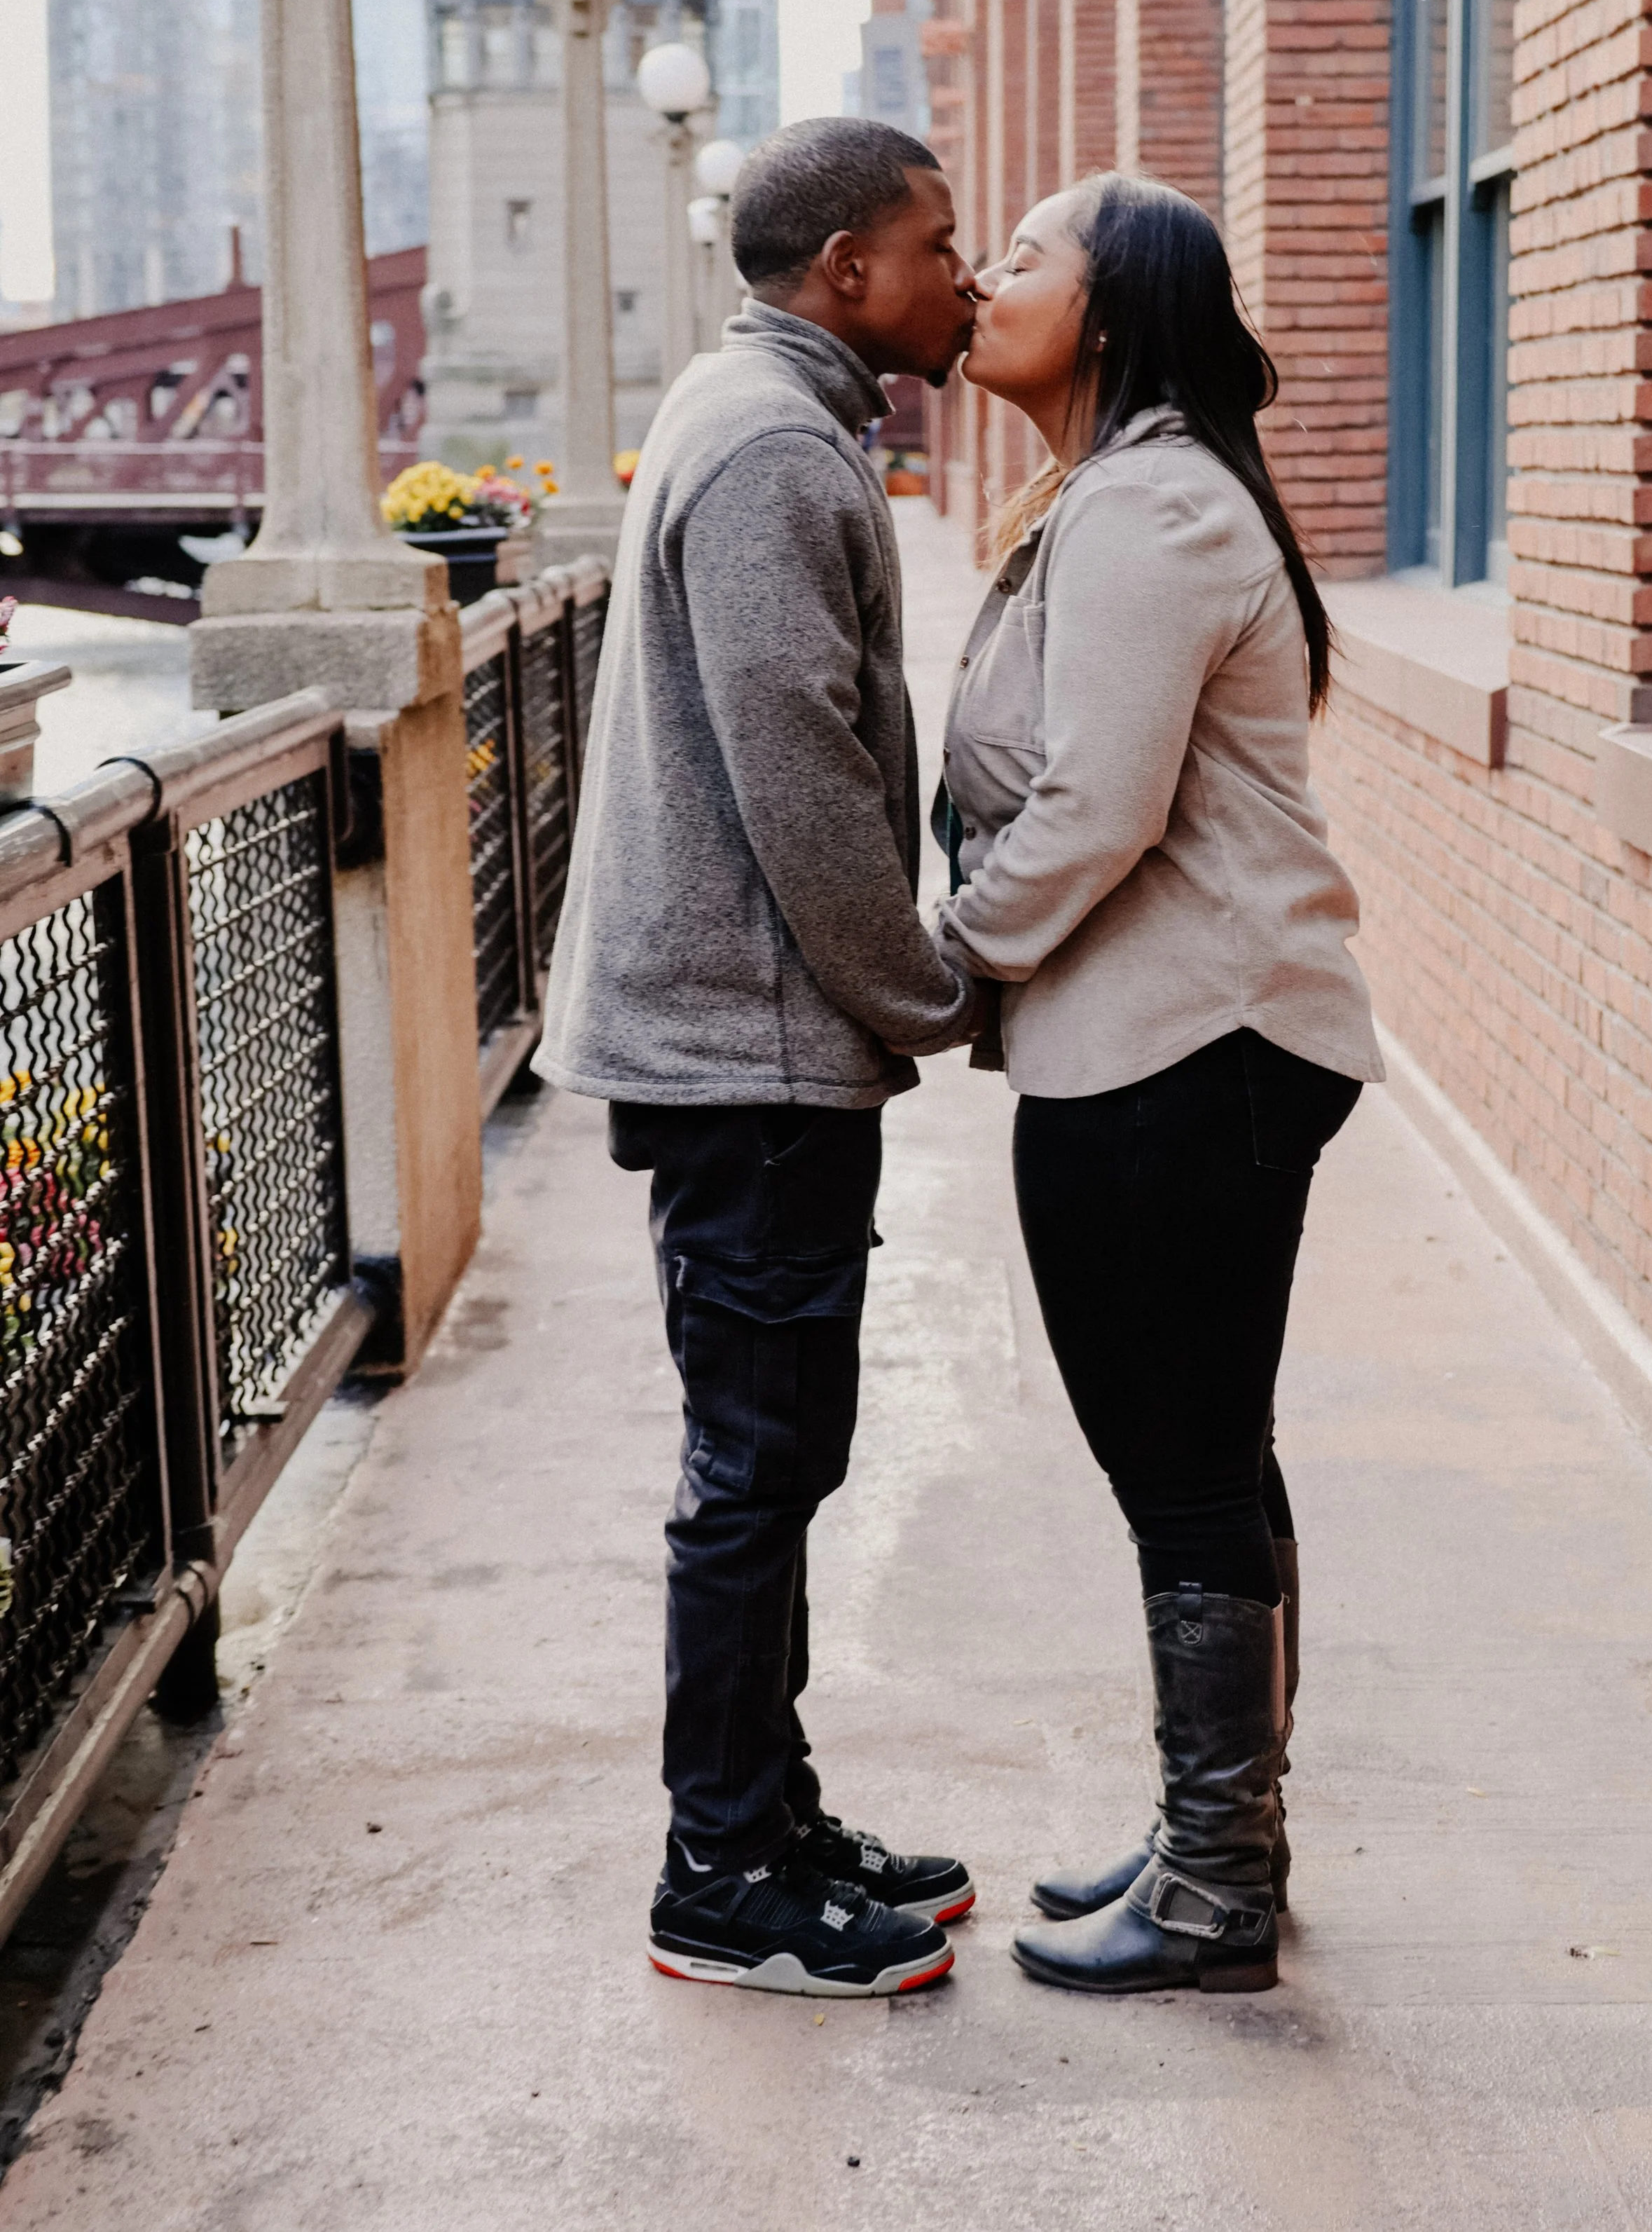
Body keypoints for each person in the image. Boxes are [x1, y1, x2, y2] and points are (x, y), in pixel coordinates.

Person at [535, 118, 986, 1999]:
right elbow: (800, 768)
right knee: (756, 1462)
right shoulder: (777, 444)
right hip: (758, 1050)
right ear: (843, 273)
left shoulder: (757, 413)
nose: (962, 278)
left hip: (750, 1038)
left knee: (776, 1455)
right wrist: (928, 986)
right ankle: (720, 1872)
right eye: (936, 244)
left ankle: (767, 1809)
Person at [921, 173, 1382, 1994]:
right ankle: (1225, 1840)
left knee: (1181, 1463)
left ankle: (1213, 1890)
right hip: (1181, 1038)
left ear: (1108, 317)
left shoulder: (1146, 511)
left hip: (1186, 1049)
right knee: (1209, 1450)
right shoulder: (1123, 497)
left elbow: (1088, 812)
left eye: (1021, 255)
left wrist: (935, 968)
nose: (983, 276)